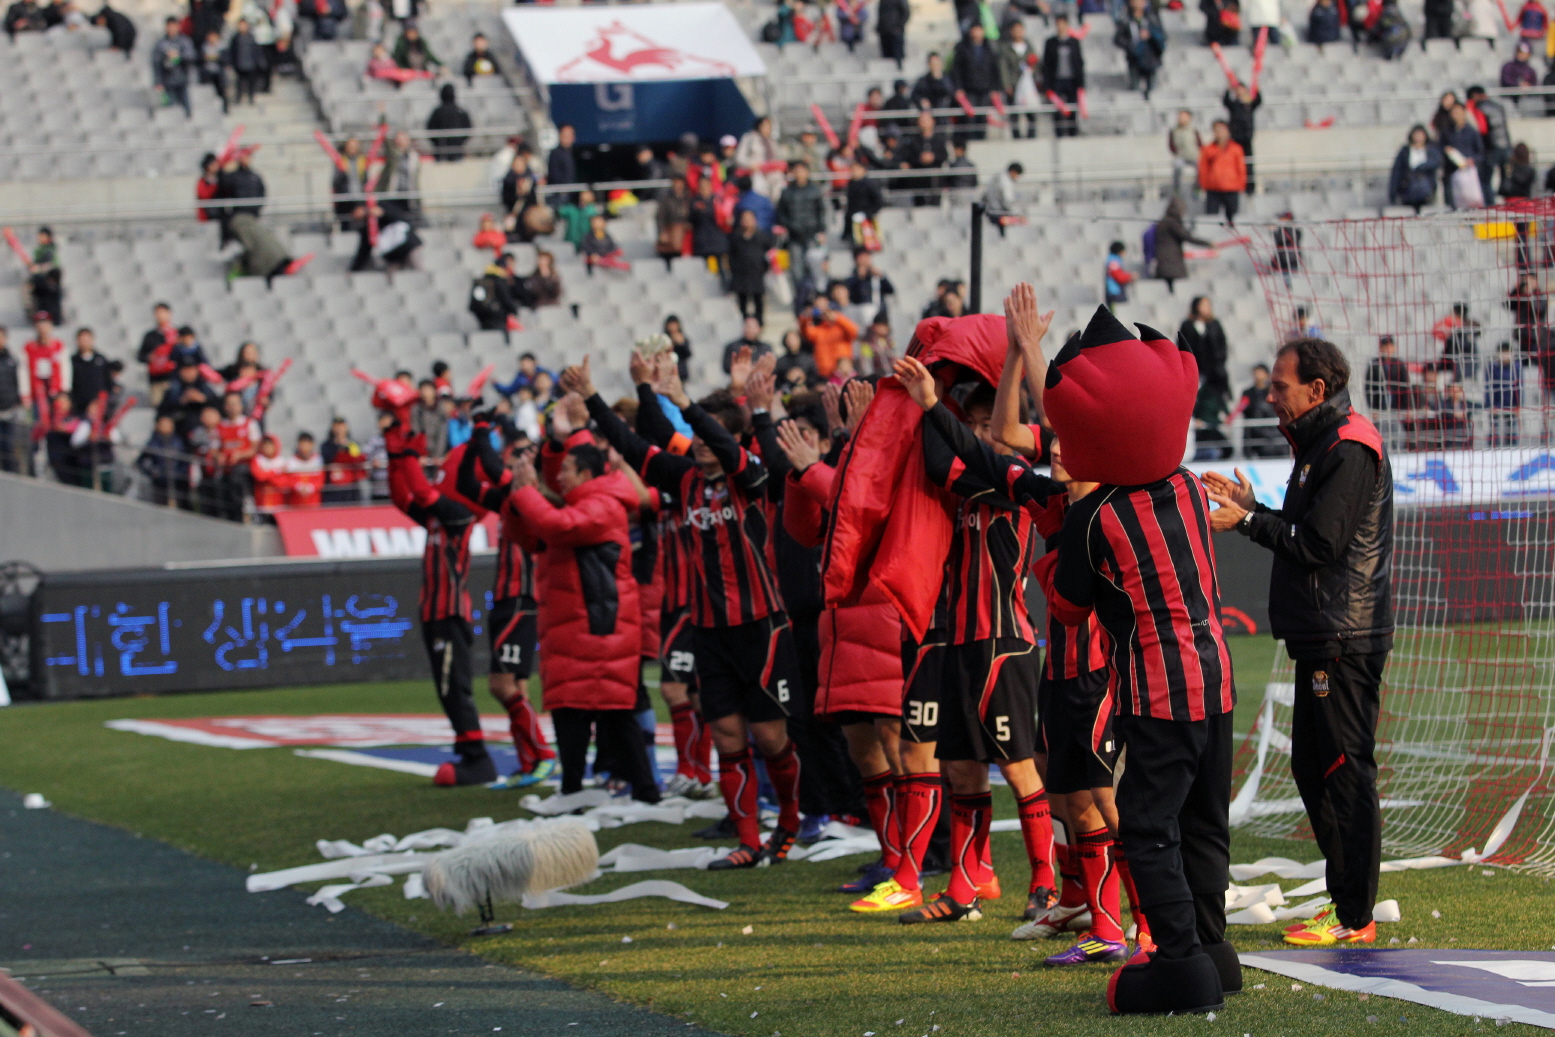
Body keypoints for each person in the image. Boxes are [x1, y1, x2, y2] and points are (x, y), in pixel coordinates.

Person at [1014, 288, 1237, 1014]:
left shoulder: (1094, 516)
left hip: (1159, 687)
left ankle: (1178, 963)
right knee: (1203, 821)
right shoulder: (1182, 484)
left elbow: (1071, 608)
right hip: (1217, 676)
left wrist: (1058, 543)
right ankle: (1212, 947)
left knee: (1147, 827)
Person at [570, 355, 804, 868]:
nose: (700, 441)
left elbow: (723, 443)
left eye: (710, 433)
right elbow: (633, 444)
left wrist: (683, 404)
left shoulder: (750, 475)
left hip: (762, 626)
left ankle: (789, 819)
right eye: (697, 432)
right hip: (710, 631)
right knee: (726, 735)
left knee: (770, 737)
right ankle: (746, 840)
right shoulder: (684, 479)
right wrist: (592, 395)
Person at [1205, 337, 1393, 950]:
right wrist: (1253, 507)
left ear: (1316, 390)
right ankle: (1349, 906)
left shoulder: (1348, 447)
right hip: (1326, 631)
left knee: (1343, 770)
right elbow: (1306, 531)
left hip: (1344, 633)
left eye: (1280, 386)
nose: (1270, 396)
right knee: (1316, 769)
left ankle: (1354, 916)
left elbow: (1320, 545)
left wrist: (1249, 523)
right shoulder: (1322, 445)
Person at [878, 355, 1061, 929]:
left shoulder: (1019, 485)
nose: (981, 434)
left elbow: (976, 440)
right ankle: (964, 886)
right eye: (975, 425)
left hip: (1005, 643)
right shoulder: (962, 485)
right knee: (960, 769)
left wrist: (1005, 363)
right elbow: (937, 455)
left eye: (989, 425)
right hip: (958, 643)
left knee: (1019, 767)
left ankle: (1046, 883)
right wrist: (928, 394)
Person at [382, 416, 496, 787]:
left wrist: (410, 456)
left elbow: (425, 493)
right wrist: (395, 457)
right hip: (433, 611)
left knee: (455, 686)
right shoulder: (436, 519)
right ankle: (467, 752)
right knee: (445, 688)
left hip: (450, 612)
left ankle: (478, 759)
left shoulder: (459, 515)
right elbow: (404, 497)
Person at [775, 162, 828, 290]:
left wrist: (822, 231)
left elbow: (821, 211)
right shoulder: (787, 192)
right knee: (796, 268)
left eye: (802, 171)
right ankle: (800, 294)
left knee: (815, 265)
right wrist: (789, 225)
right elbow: (781, 213)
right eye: (797, 171)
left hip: (812, 234)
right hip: (794, 236)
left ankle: (818, 293)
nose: (799, 174)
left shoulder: (815, 190)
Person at [951, 23, 1001, 140]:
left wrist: (995, 88)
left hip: (985, 89)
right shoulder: (963, 48)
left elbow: (995, 71)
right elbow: (957, 70)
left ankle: (981, 139)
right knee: (970, 118)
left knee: (982, 117)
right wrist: (958, 88)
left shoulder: (989, 49)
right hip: (969, 89)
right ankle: (970, 139)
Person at [1153, 199, 1212, 295]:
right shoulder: (1172, 223)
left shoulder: (1163, 222)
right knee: (1176, 290)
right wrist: (1207, 244)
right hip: (1172, 263)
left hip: (1163, 263)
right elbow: (1187, 237)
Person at [1465, 85, 1510, 201]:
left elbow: (1482, 129)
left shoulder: (1479, 107)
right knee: (1505, 180)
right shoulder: (1497, 106)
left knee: (1485, 180)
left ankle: (1490, 206)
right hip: (1505, 146)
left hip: (1490, 148)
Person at [799, 293, 860, 378]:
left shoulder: (842, 328)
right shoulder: (818, 330)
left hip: (844, 372)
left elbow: (854, 331)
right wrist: (806, 317)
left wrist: (837, 317)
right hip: (826, 374)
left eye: (829, 311)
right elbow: (805, 333)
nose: (826, 314)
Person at [1198, 120, 1246, 223]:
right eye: (1216, 130)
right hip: (1213, 189)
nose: (1219, 133)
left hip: (1231, 188)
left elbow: (1241, 168)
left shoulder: (1236, 148)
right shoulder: (1208, 149)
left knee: (1233, 218)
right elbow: (1203, 169)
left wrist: (1240, 185)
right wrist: (1205, 185)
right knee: (1211, 218)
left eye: (1222, 130)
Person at [1115, 0, 1165, 99]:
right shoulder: (1126, 19)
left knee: (1153, 91)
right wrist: (1131, 45)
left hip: (1151, 59)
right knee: (1135, 91)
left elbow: (1162, 37)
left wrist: (1150, 35)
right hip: (1134, 59)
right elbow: (1118, 39)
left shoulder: (1152, 18)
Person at [1232, 364, 1286, 457]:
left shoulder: (1271, 391)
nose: (1257, 375)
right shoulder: (1248, 392)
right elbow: (1241, 407)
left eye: (1260, 373)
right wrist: (1231, 418)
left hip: (1271, 430)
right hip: (1252, 430)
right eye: (1255, 373)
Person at [1388, 125, 1443, 211]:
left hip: (1426, 188)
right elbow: (1397, 171)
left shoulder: (1431, 150)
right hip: (1408, 189)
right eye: (1416, 134)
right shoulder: (1405, 151)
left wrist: (1421, 167)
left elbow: (1437, 162)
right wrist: (1393, 192)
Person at [151, 17, 196, 116]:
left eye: (174, 26)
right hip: (167, 81)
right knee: (171, 107)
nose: (171, 28)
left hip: (182, 79)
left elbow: (191, 56)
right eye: (169, 26)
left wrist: (178, 56)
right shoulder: (161, 44)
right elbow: (156, 63)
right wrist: (158, 82)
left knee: (186, 108)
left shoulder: (184, 41)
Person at [1442, 102, 1484, 208]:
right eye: (1453, 112)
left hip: (1469, 173)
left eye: (1458, 112)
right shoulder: (1446, 132)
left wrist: (1472, 160)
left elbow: (1480, 152)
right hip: (1452, 171)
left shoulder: (1471, 131)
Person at [1223, 84, 1261, 192]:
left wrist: (1257, 89)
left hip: (1247, 138)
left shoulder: (1249, 104)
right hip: (1235, 138)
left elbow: (1258, 101)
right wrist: (1228, 89)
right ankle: (1235, 184)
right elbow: (1225, 101)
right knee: (1234, 163)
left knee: (1248, 163)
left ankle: (1250, 187)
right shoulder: (1234, 105)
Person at [1485, 341, 1522, 446]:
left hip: (1511, 403)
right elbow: (1488, 387)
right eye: (1503, 353)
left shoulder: (1517, 367)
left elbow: (1520, 387)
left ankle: (1512, 450)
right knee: (1493, 429)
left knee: (1511, 430)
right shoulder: (1492, 367)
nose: (1505, 355)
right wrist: (1490, 405)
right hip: (1496, 403)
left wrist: (1518, 405)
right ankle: (1491, 450)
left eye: (1507, 353)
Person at [68, 328, 111, 417]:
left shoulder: (101, 360)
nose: (85, 343)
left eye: (87, 340)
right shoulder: (72, 361)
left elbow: (107, 383)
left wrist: (99, 402)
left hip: (99, 409)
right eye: (82, 340)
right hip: (78, 410)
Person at [427, 83, 473, 162]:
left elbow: (430, 128)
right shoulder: (460, 111)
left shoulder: (438, 111)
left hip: (443, 153)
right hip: (455, 152)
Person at [655, 177, 692, 272]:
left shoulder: (688, 198)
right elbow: (660, 217)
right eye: (676, 183)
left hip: (685, 233)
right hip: (671, 231)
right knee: (670, 255)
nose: (678, 186)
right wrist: (662, 232)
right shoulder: (666, 199)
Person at [228, 18, 266, 106]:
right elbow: (232, 51)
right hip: (239, 64)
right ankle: (238, 98)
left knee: (251, 83)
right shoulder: (235, 38)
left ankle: (251, 97)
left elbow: (257, 51)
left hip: (251, 64)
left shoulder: (251, 37)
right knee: (239, 82)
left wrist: (259, 61)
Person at [1168, 110, 1202, 202]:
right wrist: (1176, 152)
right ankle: (1177, 189)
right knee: (1177, 167)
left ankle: (1197, 188)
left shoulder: (1193, 129)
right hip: (1180, 156)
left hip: (1193, 155)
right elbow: (1171, 145)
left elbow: (1199, 143)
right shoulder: (1174, 130)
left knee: (1201, 168)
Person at [547, 123, 578, 201]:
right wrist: (562, 190)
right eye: (565, 135)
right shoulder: (555, 153)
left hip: (571, 193)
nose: (568, 138)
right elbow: (554, 175)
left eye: (570, 135)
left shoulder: (572, 153)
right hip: (560, 194)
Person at [878, 0, 909, 66]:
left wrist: (898, 26)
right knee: (886, 59)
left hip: (896, 33)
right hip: (884, 33)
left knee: (898, 57)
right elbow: (881, 14)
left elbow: (906, 13)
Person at [1103, 241, 1131, 310]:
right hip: (1114, 292)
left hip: (1115, 291)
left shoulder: (1114, 260)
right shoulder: (1113, 261)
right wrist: (1130, 277)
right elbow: (1119, 277)